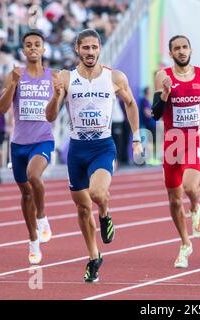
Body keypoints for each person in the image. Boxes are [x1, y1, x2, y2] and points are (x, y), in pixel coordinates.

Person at [46, 29, 143, 283]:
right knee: (81, 207)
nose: (90, 52)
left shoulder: (115, 77)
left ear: (100, 48)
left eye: (94, 47)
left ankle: (105, 213)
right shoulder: (66, 78)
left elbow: (131, 104)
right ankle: (93, 258)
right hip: (77, 150)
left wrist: (136, 138)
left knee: (97, 194)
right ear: (77, 49)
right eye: (85, 48)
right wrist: (56, 97)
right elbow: (51, 116)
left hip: (102, 147)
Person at [151, 35, 200, 269]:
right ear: (171, 53)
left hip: (195, 140)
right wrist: (165, 95)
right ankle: (185, 244)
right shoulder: (162, 76)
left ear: (191, 50)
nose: (181, 51)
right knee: (175, 199)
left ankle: (196, 207)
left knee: (189, 187)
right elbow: (156, 114)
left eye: (185, 47)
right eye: (177, 48)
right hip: (172, 143)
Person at [0, 29, 54, 265]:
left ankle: (42, 216)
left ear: (43, 49)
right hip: (18, 143)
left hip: (42, 139)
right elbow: (2, 108)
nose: (33, 48)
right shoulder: (14, 75)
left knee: (34, 176)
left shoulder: (54, 76)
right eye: (28, 44)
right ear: (23, 50)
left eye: (37, 44)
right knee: (25, 193)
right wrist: (13, 85)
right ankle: (33, 240)